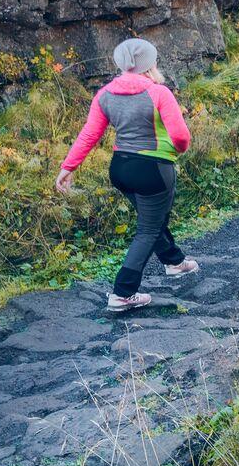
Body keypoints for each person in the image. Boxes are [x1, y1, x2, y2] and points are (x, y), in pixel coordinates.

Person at [55, 36, 198, 313]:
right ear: (150, 64)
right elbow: (181, 136)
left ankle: (174, 262)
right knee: (148, 228)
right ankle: (123, 293)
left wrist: (68, 167)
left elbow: (89, 134)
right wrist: (176, 149)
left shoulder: (105, 94)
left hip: (120, 169)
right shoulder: (159, 92)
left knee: (152, 219)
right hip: (153, 169)